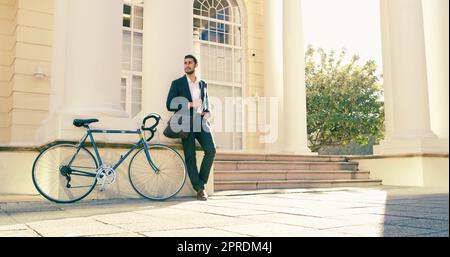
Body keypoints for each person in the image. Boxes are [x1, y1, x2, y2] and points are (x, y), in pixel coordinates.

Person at [166, 55, 216, 201]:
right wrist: (189, 104)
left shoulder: (203, 83)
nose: (187, 65)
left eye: (189, 63)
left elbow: (205, 101)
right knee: (190, 156)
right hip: (185, 123)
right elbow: (170, 104)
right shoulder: (177, 83)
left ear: (196, 65)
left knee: (211, 150)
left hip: (201, 122)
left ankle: (201, 181)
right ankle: (200, 189)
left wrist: (207, 111)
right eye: (185, 63)